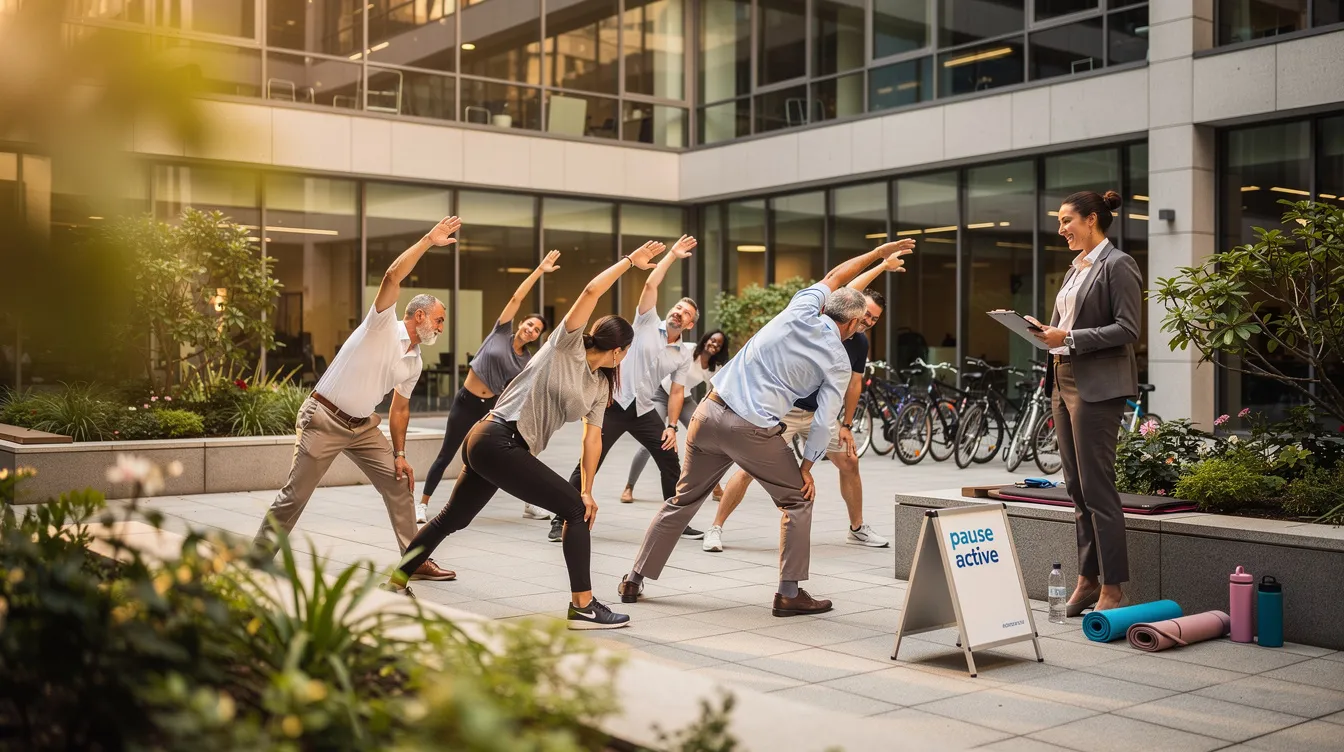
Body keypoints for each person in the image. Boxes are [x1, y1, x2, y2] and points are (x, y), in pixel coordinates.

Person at [383, 240, 673, 630]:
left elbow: (593, 438)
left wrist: (587, 488)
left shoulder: (601, 386)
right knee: (571, 511)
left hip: (499, 444)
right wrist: (628, 263)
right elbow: (591, 291)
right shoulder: (565, 344)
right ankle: (583, 605)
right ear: (619, 350)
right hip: (496, 436)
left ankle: (397, 578)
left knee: (457, 517)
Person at [618, 239, 916, 618]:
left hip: (707, 415)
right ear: (855, 323)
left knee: (682, 501)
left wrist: (874, 254)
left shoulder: (802, 308)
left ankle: (634, 577)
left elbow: (835, 275)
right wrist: (807, 468)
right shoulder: (839, 360)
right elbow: (824, 421)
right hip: (752, 430)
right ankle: (789, 593)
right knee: (798, 500)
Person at [251, 217, 459, 583]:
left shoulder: (415, 360)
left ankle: (414, 560)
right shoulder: (380, 325)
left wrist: (399, 455)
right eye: (439, 321)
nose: (441, 329)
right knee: (296, 494)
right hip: (324, 418)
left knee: (399, 485)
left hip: (362, 427)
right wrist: (428, 240)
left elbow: (400, 408)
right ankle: (257, 557)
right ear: (420, 315)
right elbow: (393, 276)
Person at [703, 251, 911, 553]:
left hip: (819, 414)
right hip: (784, 411)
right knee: (747, 469)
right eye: (866, 314)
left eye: (875, 319)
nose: (868, 320)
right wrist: (881, 264)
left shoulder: (859, 342)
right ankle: (716, 527)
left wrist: (848, 425)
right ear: (854, 311)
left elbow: (854, 385)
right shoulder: (822, 320)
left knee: (850, 462)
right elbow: (842, 284)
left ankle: (857, 528)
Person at [1025, 190, 1141, 615]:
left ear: (1092, 219)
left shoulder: (1118, 264)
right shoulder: (1076, 269)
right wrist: (1045, 331)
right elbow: (1068, 324)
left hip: (1096, 386)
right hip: (1061, 379)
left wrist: (1068, 338)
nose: (1061, 229)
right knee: (1075, 487)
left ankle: (1114, 587)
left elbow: (1128, 329)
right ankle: (1088, 579)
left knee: (1098, 487)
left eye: (1067, 220)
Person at [552, 235, 701, 543]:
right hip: (611, 402)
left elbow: (676, 393)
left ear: (689, 325)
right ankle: (560, 518)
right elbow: (650, 286)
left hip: (644, 410)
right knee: (589, 460)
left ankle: (676, 523)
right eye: (677, 307)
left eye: (685, 313)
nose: (678, 312)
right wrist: (671, 255)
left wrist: (672, 426)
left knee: (669, 460)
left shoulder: (683, 354)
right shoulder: (646, 321)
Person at [416, 250, 561, 524]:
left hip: (491, 409)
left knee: (515, 454)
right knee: (447, 453)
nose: (531, 330)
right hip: (466, 401)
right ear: (521, 323)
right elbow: (517, 297)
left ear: (537, 336)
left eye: (536, 330)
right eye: (529, 324)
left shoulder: (525, 361)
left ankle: (530, 503)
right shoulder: (501, 332)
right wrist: (540, 270)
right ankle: (422, 505)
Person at [620, 329, 731, 504]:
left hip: (685, 399)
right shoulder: (688, 348)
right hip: (662, 394)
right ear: (705, 339)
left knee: (705, 438)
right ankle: (629, 487)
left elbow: (713, 392)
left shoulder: (715, 367)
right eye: (712, 340)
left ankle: (715, 486)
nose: (714, 344)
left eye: (719, 344)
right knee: (651, 442)